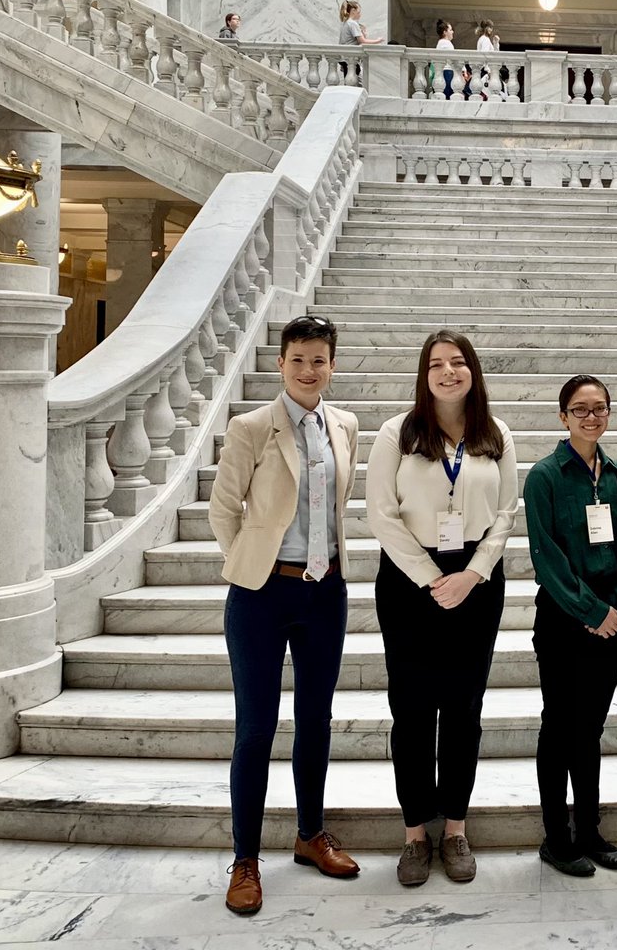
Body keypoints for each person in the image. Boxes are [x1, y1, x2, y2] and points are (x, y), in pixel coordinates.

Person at [208, 315, 360, 917]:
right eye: (298, 358)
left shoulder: (344, 424)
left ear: (331, 364)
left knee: (316, 720)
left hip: (326, 591)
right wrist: (252, 564)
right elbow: (224, 510)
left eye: (319, 359)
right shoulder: (250, 428)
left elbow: (336, 505)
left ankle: (309, 833)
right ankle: (246, 858)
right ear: (281, 363)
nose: (308, 369)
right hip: (263, 594)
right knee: (255, 728)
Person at [365, 330, 518, 887]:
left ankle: (454, 828)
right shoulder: (396, 434)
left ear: (473, 371)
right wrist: (434, 580)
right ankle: (414, 835)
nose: (448, 372)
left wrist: (473, 574)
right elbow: (381, 516)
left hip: (477, 581)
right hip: (409, 583)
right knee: (411, 711)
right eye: (437, 364)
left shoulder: (495, 433)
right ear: (423, 374)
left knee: (462, 709)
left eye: (458, 363)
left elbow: (505, 513)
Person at [524, 375, 617, 878]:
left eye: (599, 409)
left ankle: (590, 831)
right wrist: (590, 611)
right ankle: (556, 837)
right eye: (580, 409)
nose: (590, 417)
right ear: (562, 416)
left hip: (609, 623)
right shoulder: (545, 476)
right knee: (559, 728)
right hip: (563, 621)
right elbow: (545, 556)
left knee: (590, 730)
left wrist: (614, 609)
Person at [474, 20, 503, 100]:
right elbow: (485, 56)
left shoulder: (483, 39)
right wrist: (488, 70)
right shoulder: (485, 39)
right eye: (490, 27)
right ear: (486, 28)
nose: (491, 30)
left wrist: (495, 43)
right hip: (485, 71)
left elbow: (494, 55)